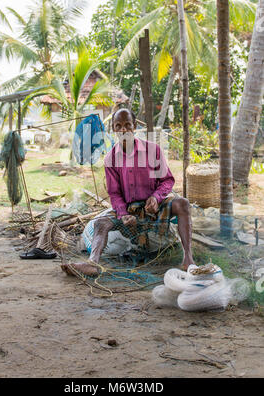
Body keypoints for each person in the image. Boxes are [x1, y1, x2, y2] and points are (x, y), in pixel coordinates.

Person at [62, 108, 194, 277]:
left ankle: (188, 258)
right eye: (118, 126)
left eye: (127, 125)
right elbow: (115, 194)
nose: (123, 130)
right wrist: (123, 213)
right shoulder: (111, 158)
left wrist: (155, 197)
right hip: (129, 208)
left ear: (135, 126)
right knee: (100, 223)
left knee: (182, 203)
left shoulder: (153, 150)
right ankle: (92, 263)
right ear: (114, 129)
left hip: (155, 205)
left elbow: (167, 180)